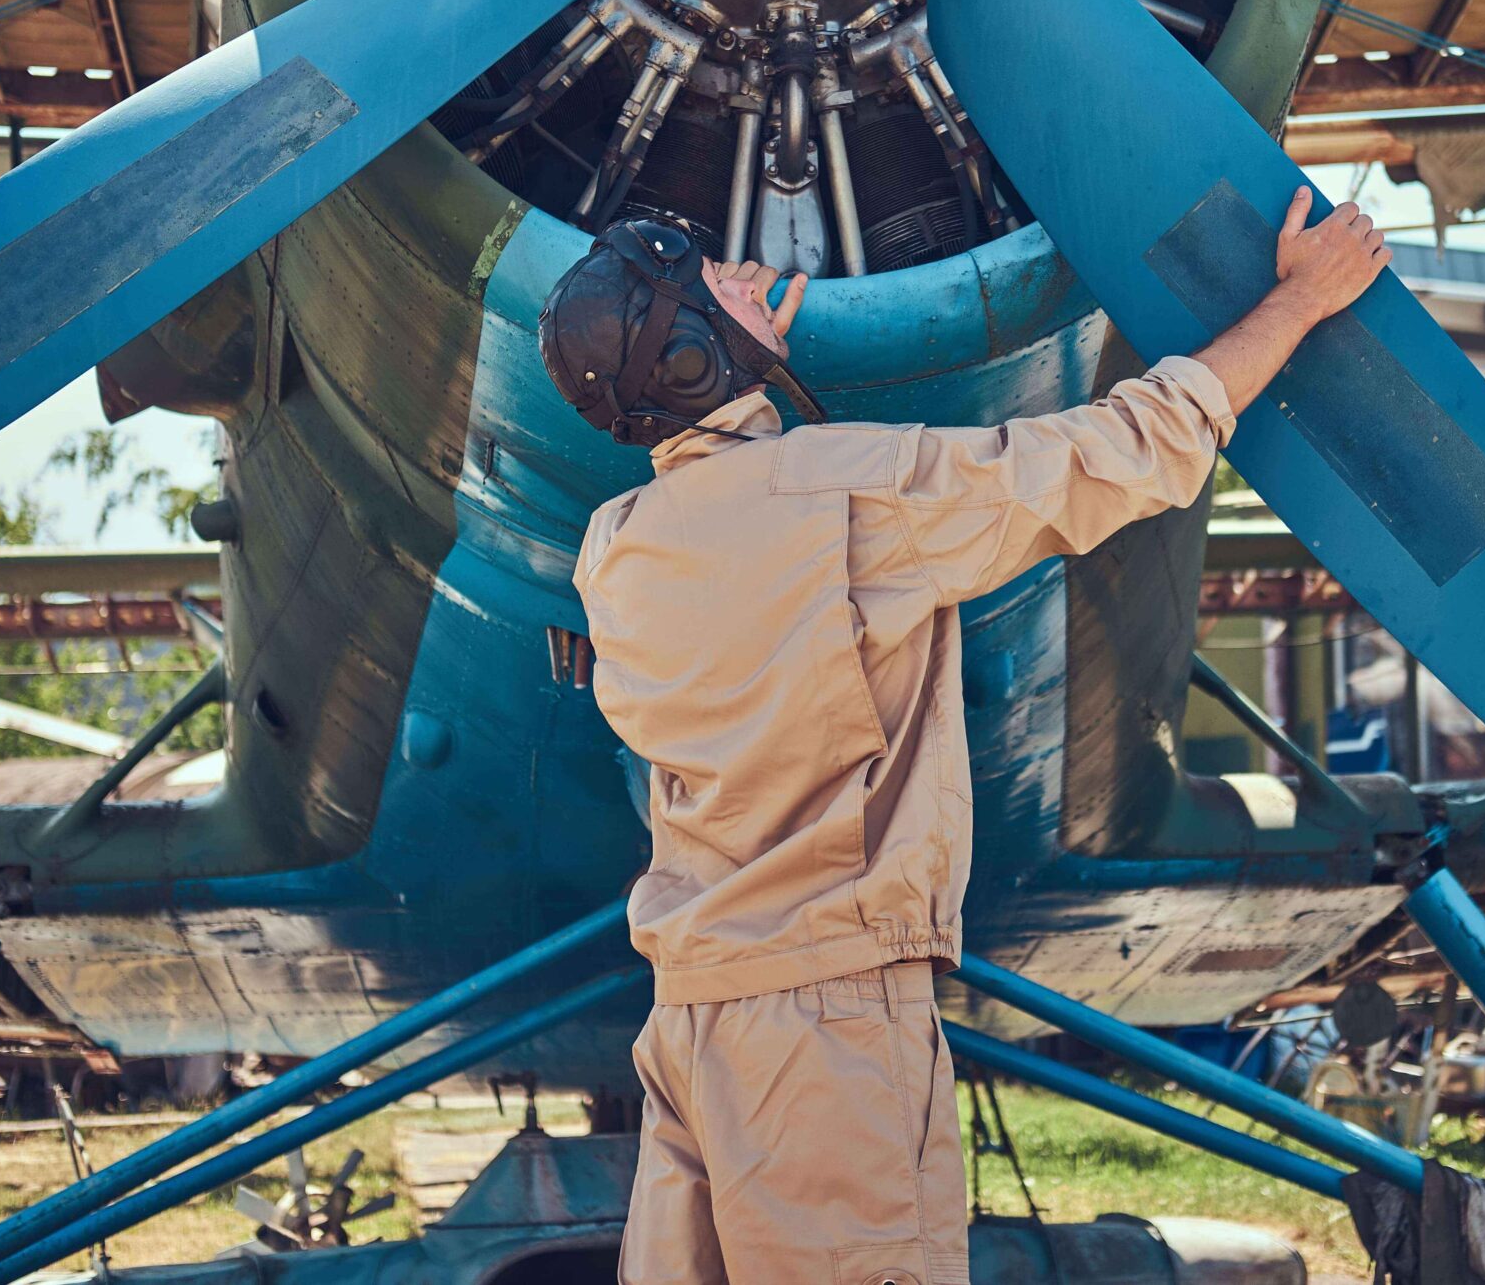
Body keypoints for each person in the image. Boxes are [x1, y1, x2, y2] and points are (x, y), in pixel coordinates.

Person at [538, 190, 1391, 1285]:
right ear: (697, 356)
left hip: (694, 1015)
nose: (749, 271)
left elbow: (747, 509)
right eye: (719, 284)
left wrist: (740, 368)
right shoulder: (849, 491)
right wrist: (1302, 299)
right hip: (828, 1028)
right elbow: (1128, 449)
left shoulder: (614, 551)